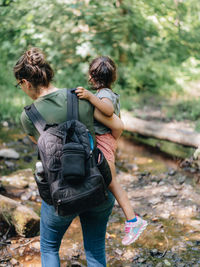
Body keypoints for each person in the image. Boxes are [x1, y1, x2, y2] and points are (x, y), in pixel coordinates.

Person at [14, 47, 124, 267]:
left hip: (61, 195)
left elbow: (46, 150)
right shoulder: (80, 97)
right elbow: (117, 126)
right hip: (98, 186)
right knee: (94, 251)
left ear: (26, 82)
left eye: (19, 85)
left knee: (49, 247)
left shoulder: (28, 116)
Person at [75, 56, 148, 246]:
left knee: (113, 182)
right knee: (107, 179)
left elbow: (107, 111)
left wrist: (90, 97)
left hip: (104, 141)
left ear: (91, 76)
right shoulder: (105, 92)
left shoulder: (104, 94)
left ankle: (133, 220)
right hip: (105, 140)